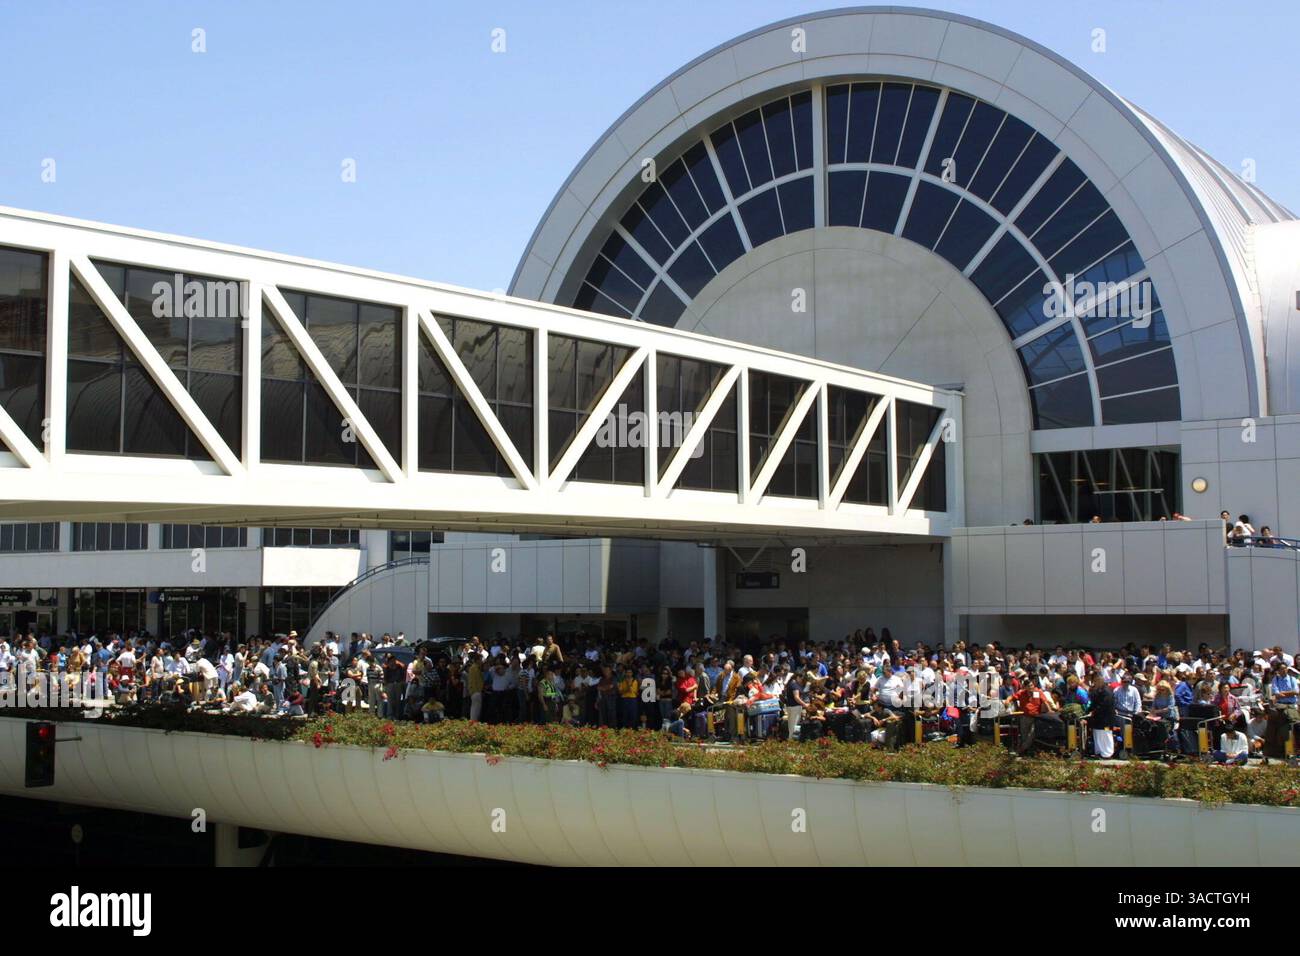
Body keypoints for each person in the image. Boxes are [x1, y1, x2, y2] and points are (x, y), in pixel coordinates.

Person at [1087, 671, 1116, 759]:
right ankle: (1099, 752)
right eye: (1094, 681)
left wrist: (1094, 711)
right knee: (1097, 734)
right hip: (1098, 719)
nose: (1095, 683)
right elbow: (1093, 703)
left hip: (1106, 719)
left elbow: (1104, 705)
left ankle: (1107, 754)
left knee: (1106, 735)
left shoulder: (1107, 691)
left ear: (1101, 680)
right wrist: (1090, 710)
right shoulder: (1097, 691)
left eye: (1097, 681)